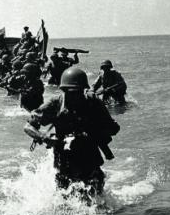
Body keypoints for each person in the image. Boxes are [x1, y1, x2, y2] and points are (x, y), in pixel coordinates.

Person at [26, 66, 120, 201]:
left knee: (96, 199)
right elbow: (28, 126)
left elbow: (114, 128)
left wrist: (95, 129)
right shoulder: (55, 104)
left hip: (89, 157)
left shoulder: (93, 103)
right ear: (63, 90)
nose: (75, 96)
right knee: (65, 199)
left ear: (83, 89)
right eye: (70, 92)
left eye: (78, 91)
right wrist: (44, 137)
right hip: (64, 159)